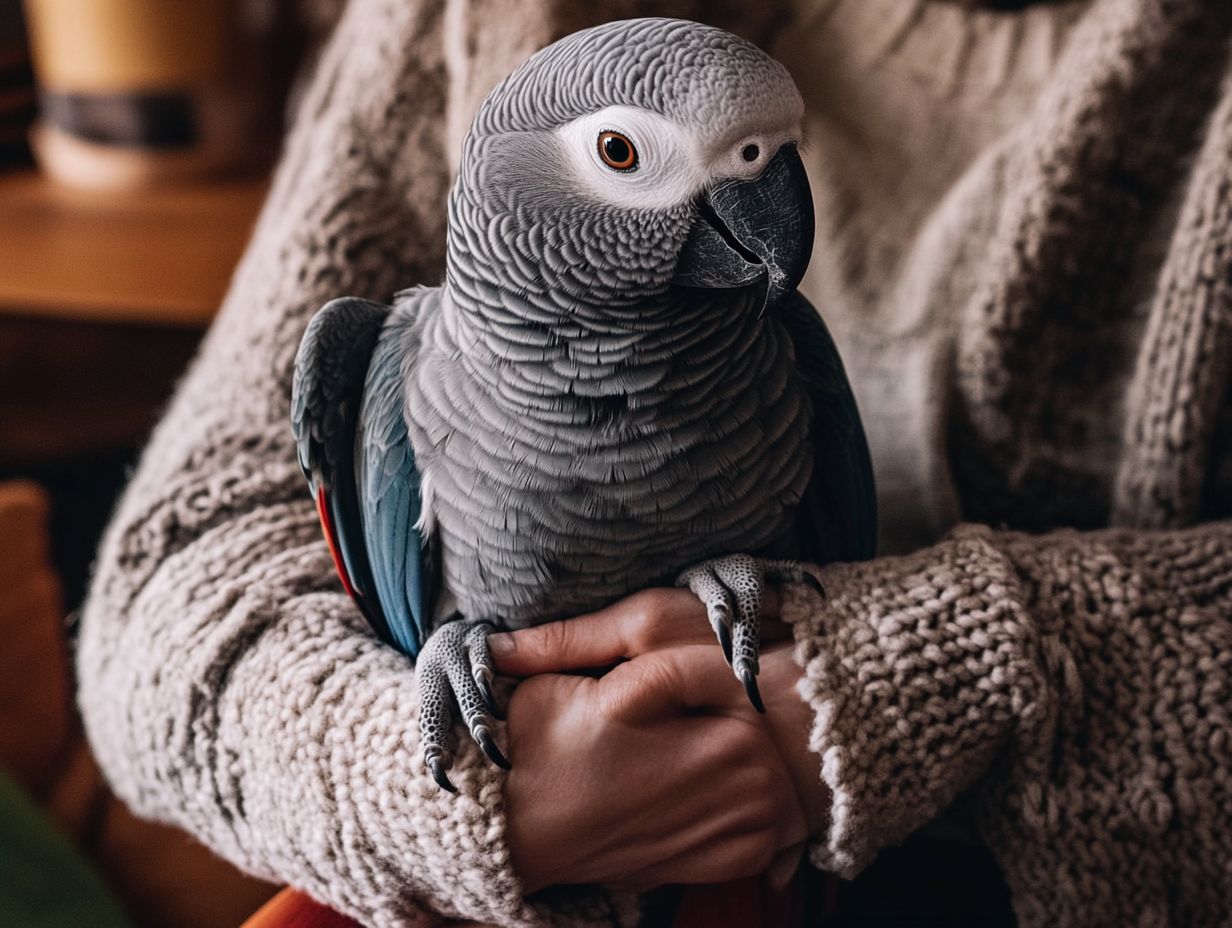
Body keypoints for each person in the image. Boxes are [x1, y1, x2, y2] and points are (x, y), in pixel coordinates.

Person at [77, 0, 1232, 926]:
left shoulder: (774, 353)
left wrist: (848, 681)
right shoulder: (392, 348)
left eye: (767, 155)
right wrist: (461, 790)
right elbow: (169, 586)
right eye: (622, 153)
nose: (752, 175)